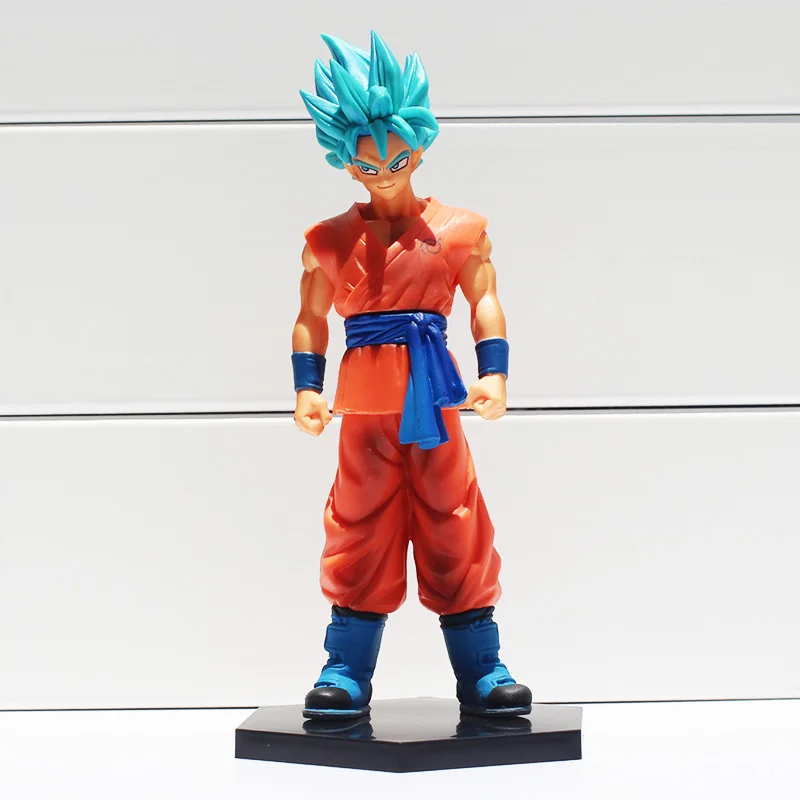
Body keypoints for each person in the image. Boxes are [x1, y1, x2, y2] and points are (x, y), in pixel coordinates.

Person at [293, 31, 531, 719]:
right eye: (368, 163)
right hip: (365, 410)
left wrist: (495, 375)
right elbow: (309, 317)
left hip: (437, 402)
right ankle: (345, 666)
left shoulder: (457, 230)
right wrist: (308, 389)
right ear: (347, 162)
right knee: (357, 524)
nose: (385, 173)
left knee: (456, 519)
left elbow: (485, 302)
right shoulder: (328, 241)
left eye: (397, 159)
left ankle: (482, 667)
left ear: (420, 147)